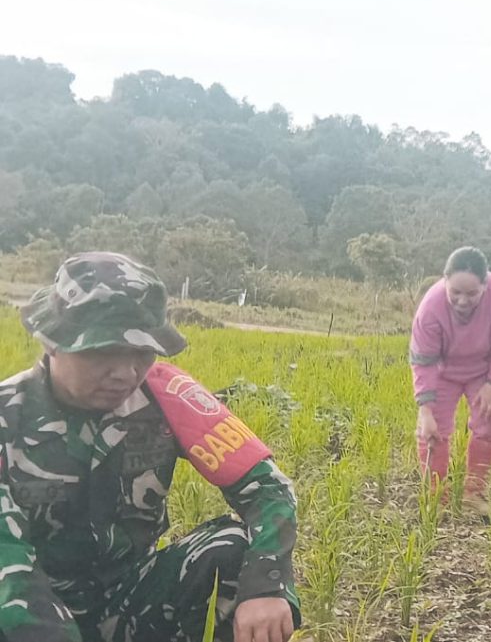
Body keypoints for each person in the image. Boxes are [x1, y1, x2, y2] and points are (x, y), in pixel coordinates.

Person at [0, 252, 299, 642]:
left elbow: (269, 490)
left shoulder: (167, 396)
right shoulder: (9, 416)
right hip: (27, 607)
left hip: (127, 598)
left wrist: (268, 585)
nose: (125, 374)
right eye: (103, 352)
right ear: (53, 341)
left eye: (142, 354)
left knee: (236, 549)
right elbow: (9, 562)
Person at [410, 247, 491, 518]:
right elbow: (423, 361)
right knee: (433, 432)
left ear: (485, 285)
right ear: (444, 281)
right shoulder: (430, 308)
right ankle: (436, 498)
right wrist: (425, 410)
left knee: (490, 423)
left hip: (484, 371)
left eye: (472, 293)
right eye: (455, 293)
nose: (462, 300)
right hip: (441, 371)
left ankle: (475, 494)